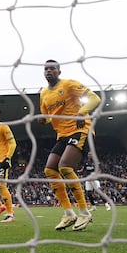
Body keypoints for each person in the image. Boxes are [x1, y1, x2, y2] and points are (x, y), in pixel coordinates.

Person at [39, 60, 101, 231]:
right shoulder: (44, 93)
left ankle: (84, 212)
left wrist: (81, 112)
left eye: (52, 68)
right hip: (62, 135)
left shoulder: (69, 84)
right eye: (46, 69)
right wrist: (43, 119)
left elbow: (95, 98)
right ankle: (68, 213)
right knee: (50, 170)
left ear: (59, 71)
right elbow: (48, 115)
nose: (48, 71)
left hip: (81, 129)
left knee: (65, 166)